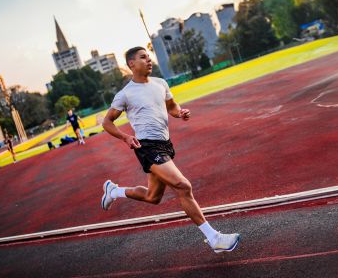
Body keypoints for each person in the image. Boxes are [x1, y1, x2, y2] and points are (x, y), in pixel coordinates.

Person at [101, 46, 240, 253]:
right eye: (143, 57)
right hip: (146, 146)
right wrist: (125, 137)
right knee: (183, 186)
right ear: (132, 64)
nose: (148, 60)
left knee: (152, 197)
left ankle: (115, 190)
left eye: (149, 57)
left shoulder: (160, 83)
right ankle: (214, 238)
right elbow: (107, 122)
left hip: (164, 144)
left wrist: (180, 112)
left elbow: (172, 106)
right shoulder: (125, 94)